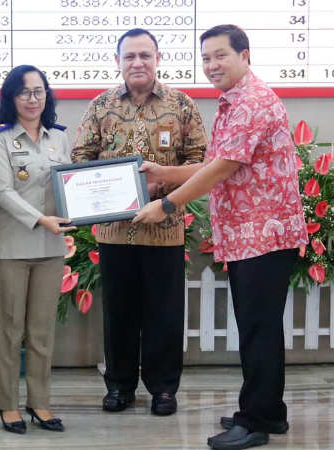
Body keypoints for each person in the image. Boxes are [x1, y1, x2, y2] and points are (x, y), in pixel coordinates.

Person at [133, 25, 308, 449]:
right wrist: (165, 173)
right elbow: (216, 161)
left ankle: (256, 420)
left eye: (220, 55)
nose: (212, 65)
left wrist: (167, 204)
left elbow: (222, 168)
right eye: (206, 58)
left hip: (264, 235)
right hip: (249, 236)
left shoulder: (252, 101)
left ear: (245, 56)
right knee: (259, 327)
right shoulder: (232, 101)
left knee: (258, 329)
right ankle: (270, 411)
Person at [72, 28, 207, 416]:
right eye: (129, 56)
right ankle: (119, 386)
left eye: (145, 55)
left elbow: (201, 164)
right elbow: (80, 158)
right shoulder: (100, 106)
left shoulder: (181, 105)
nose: (137, 62)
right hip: (114, 232)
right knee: (119, 314)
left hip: (165, 229)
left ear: (158, 59)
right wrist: (110, 186)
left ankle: (163, 389)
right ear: (118, 61)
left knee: (165, 314)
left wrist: (161, 181)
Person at [0, 65, 76, 434]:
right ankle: (8, 405)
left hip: (51, 248)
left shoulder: (60, 138)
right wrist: (41, 220)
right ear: (12, 98)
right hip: (12, 248)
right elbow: (2, 192)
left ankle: (40, 402)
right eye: (24, 92)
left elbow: (70, 185)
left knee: (42, 332)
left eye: (39, 91)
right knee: (9, 331)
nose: (32, 98)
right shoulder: (1, 140)